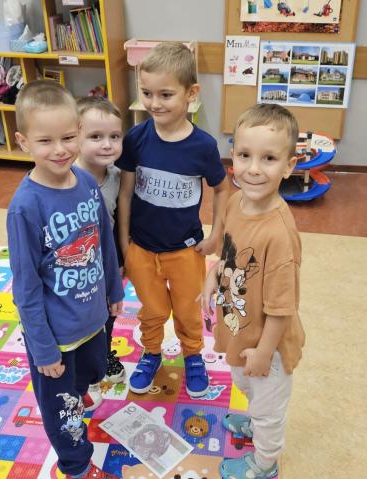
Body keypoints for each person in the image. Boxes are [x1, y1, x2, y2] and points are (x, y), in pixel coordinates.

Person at [6, 80, 123, 479]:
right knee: (64, 411)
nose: (60, 150)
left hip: (91, 317)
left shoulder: (87, 182)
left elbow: (104, 241)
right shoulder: (25, 207)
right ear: (23, 142)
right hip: (54, 335)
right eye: (45, 141)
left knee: (92, 371)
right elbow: (25, 287)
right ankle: (76, 467)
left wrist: (113, 289)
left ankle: (79, 388)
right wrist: (43, 350)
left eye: (68, 137)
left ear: (79, 130)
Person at [116, 42, 230, 398]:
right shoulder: (135, 139)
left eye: (165, 94)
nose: (154, 103)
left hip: (185, 250)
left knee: (187, 309)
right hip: (141, 249)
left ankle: (193, 355)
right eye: (147, 93)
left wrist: (216, 235)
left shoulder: (203, 147)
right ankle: (151, 353)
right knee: (151, 310)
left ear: (191, 93)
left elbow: (222, 189)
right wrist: (124, 245)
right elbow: (124, 194)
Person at [198, 103, 306, 478]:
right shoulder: (233, 201)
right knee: (244, 383)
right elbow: (229, 252)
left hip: (269, 346)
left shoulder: (279, 235)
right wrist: (213, 275)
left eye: (269, 158)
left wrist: (263, 352)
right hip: (240, 327)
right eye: (245, 155)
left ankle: (264, 464)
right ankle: (254, 420)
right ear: (233, 156)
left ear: (289, 166)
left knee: (268, 409)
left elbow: (282, 308)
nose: (254, 169)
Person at [74, 96, 127, 404]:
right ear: (76, 136)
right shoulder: (68, 177)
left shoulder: (118, 177)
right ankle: (85, 370)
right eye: (96, 136)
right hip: (76, 267)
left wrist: (122, 259)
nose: (107, 145)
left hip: (109, 262)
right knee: (84, 317)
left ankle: (103, 354)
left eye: (114, 136)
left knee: (109, 313)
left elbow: (122, 220)